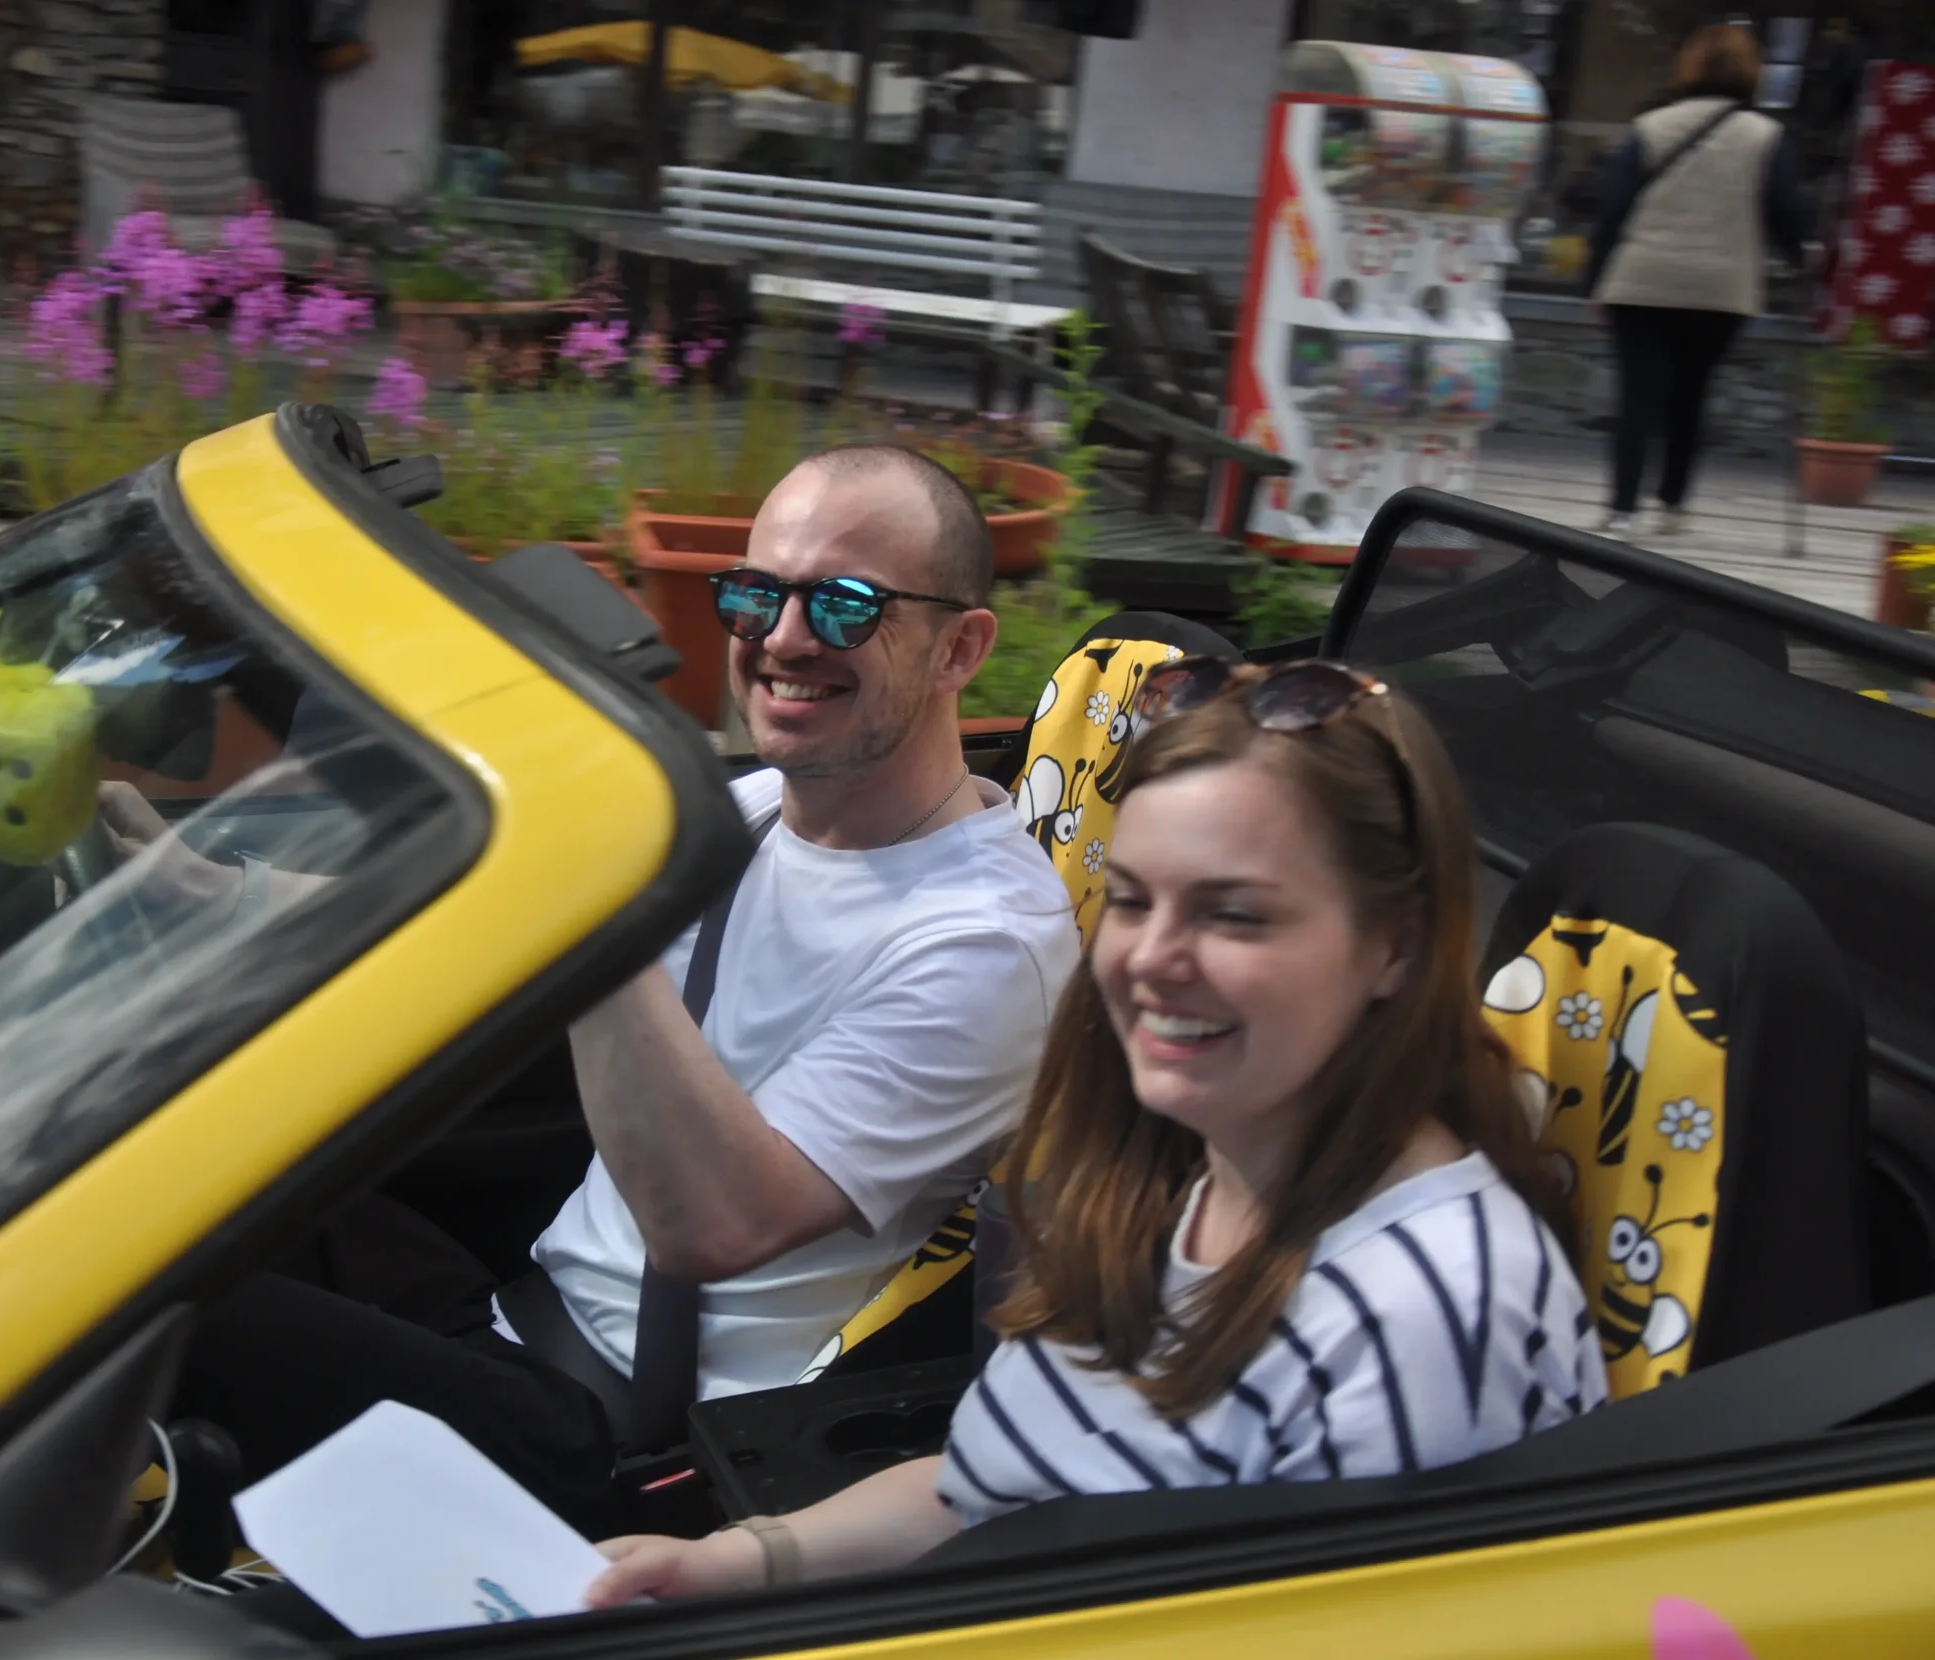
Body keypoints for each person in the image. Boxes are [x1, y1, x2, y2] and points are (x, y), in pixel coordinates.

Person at [153, 445, 1081, 1536]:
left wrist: (587, 882)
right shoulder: (752, 811)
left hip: (618, 1443)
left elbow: (714, 1225)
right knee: (151, 1188)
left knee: (127, 1308)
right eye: (753, 596)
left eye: (844, 606)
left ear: (959, 647)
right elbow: (463, 929)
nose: (782, 640)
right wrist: (185, 884)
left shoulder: (981, 943)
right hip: (514, 1312)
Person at [587, 660, 1605, 1604]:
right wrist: (738, 1561)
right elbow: (994, 1486)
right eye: (1129, 900)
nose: (1153, 957)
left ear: (1396, 945)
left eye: (1235, 915)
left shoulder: (1425, 1316)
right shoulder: (1183, 1179)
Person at [1586, 22, 1808, 539]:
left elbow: (1611, 211)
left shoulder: (1651, 127)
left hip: (1642, 280)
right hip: (1721, 288)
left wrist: (1595, 281)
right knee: (1691, 394)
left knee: (1637, 396)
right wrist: (1797, 256)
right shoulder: (1767, 138)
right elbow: (1786, 210)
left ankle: (1622, 509)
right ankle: (1672, 503)